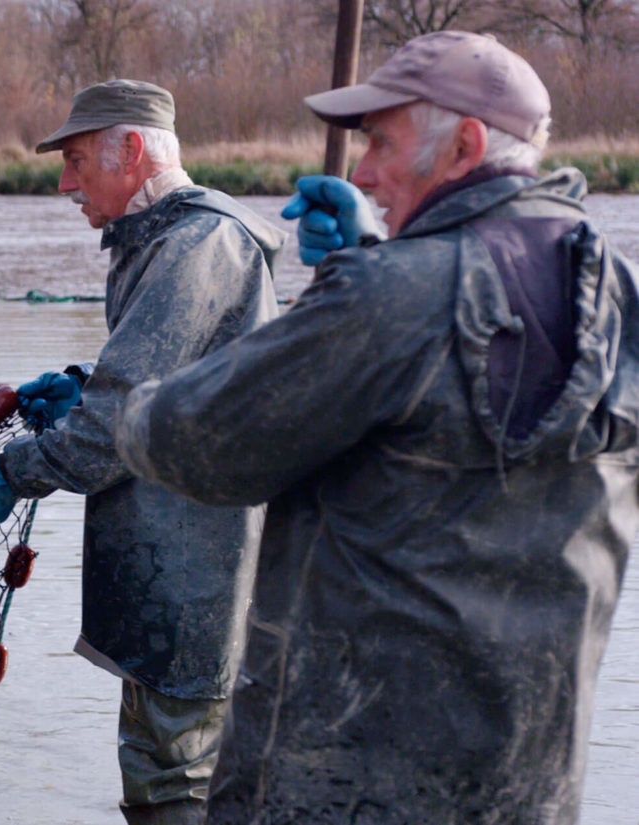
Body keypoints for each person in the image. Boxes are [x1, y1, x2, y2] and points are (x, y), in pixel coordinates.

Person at [113, 32, 636, 824]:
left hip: (339, 784)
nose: (361, 172)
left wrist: (117, 402)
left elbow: (194, 442)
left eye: (382, 144)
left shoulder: (390, 297)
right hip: (526, 785)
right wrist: (372, 253)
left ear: (463, 144)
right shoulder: (618, 288)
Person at [0, 80, 284, 825]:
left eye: (76, 159)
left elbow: (121, 428)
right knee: (170, 763)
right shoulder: (161, 241)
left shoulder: (198, 244)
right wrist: (79, 388)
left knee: (176, 774)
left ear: (131, 150)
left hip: (202, 567)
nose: (66, 183)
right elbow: (169, 390)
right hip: (173, 560)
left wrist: (10, 472)